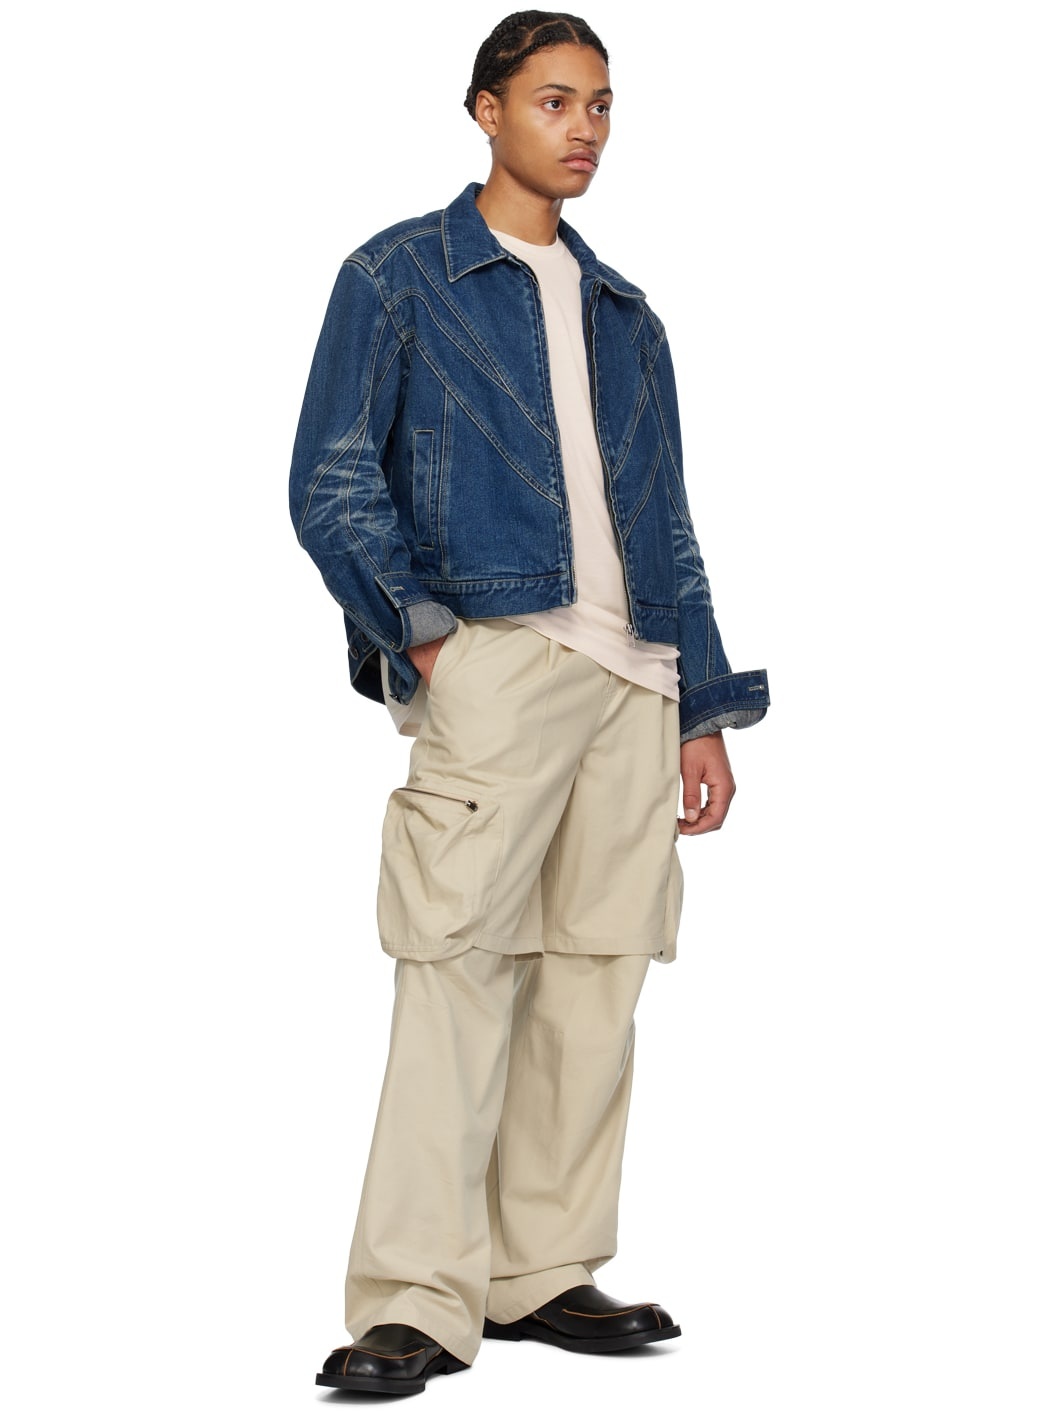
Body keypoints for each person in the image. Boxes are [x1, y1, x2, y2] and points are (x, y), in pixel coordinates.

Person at [289, 10, 769, 1397]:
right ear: (486, 110)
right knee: (457, 970)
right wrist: (431, 642)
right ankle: (415, 1298)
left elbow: (669, 524)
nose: (586, 128)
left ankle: (540, 1270)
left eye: (602, 104)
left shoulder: (627, 316)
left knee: (596, 979)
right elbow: (331, 477)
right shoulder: (399, 277)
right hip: (497, 658)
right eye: (556, 100)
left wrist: (700, 707)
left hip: (636, 681)